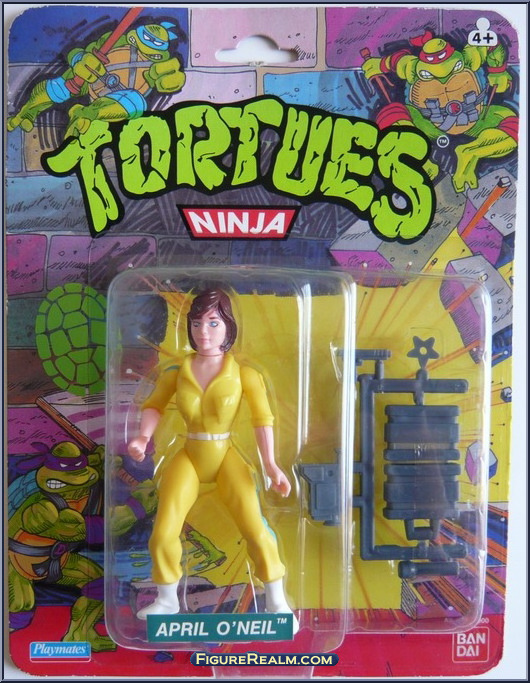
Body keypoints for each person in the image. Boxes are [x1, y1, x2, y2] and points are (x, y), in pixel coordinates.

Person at [128, 289, 297, 630]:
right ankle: (166, 599)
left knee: (255, 528)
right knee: (163, 531)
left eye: (213, 323)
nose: (203, 331)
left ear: (229, 326)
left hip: (225, 455)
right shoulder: (177, 371)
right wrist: (143, 437)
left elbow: (262, 419)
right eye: (196, 324)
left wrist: (270, 464)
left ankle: (277, 600)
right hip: (190, 454)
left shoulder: (244, 374)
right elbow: (154, 405)